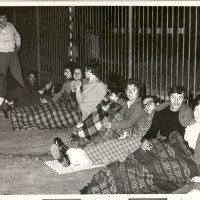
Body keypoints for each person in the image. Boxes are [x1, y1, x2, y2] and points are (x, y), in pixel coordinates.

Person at [80, 86, 199, 194]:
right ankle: (108, 178)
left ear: (184, 99)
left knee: (149, 169)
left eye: (180, 98)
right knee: (132, 162)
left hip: (175, 151)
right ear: (169, 98)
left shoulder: (187, 115)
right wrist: (145, 140)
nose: (176, 101)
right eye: (173, 97)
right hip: (158, 145)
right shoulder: (161, 113)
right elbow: (151, 132)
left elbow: (186, 140)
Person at [50, 95, 160, 167]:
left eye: (149, 103)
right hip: (138, 139)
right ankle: (71, 156)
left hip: (146, 142)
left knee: (113, 146)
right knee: (111, 148)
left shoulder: (158, 114)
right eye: (145, 105)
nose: (147, 107)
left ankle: (70, 154)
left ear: (157, 104)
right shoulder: (148, 116)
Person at [10, 62, 83, 131]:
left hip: (72, 108)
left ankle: (19, 117)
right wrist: (49, 100)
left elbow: (59, 95)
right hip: (64, 104)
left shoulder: (78, 83)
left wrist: (49, 100)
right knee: (45, 109)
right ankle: (18, 115)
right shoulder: (69, 83)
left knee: (50, 112)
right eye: (75, 73)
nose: (64, 73)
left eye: (66, 71)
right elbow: (58, 95)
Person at [71, 73, 127, 143]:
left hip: (107, 120)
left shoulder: (120, 98)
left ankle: (87, 132)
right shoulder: (111, 94)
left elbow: (108, 110)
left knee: (82, 129)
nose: (106, 85)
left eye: (108, 84)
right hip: (101, 116)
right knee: (83, 125)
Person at [0, 9, 25, 115]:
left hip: (13, 54)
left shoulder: (10, 25)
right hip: (2, 54)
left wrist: (18, 47)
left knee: (18, 73)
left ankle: (23, 98)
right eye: (1, 18)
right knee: (1, 78)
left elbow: (17, 35)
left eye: (5, 17)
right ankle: (2, 104)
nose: (4, 19)